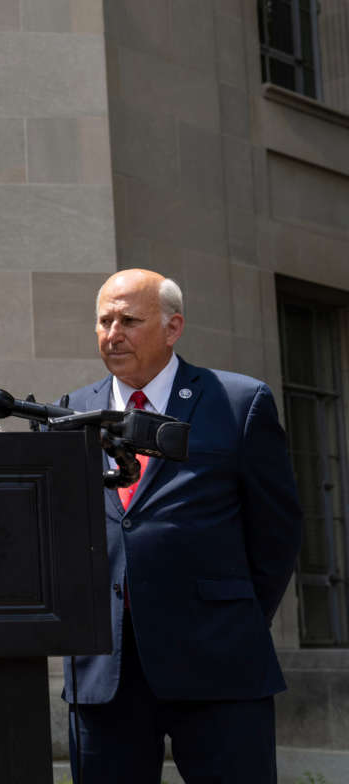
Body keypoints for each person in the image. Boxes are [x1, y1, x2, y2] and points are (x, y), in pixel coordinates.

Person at [62, 269, 302, 783]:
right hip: (107, 673)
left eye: (129, 320)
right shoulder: (71, 411)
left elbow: (277, 532)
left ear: (173, 328)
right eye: (104, 321)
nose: (112, 333)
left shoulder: (238, 402)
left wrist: (230, 614)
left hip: (219, 663)